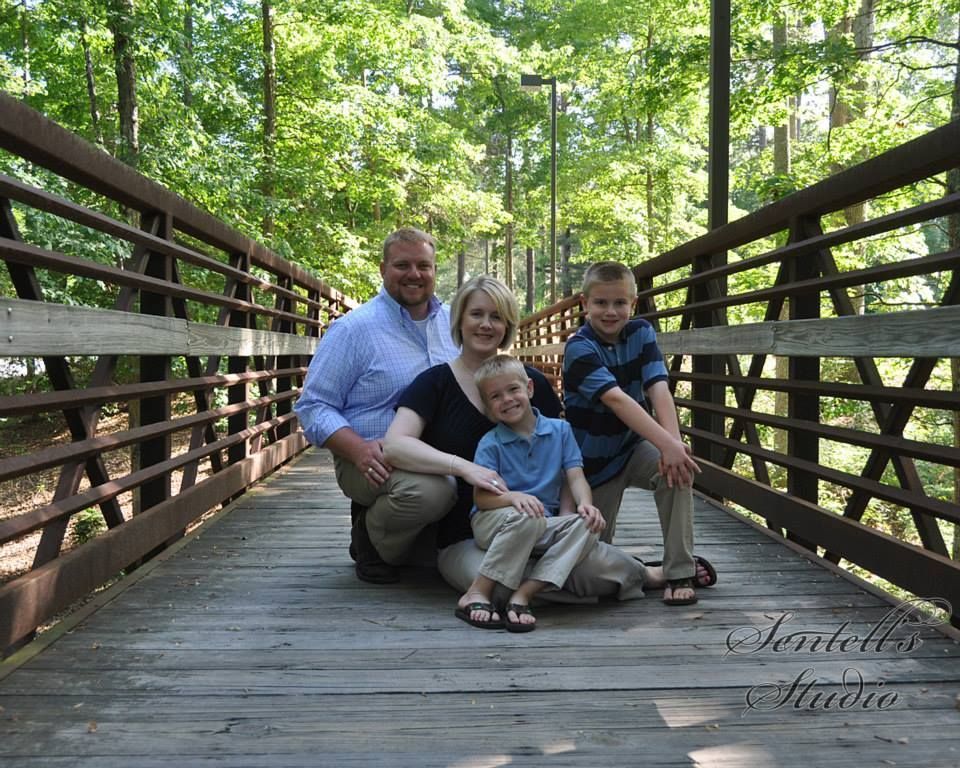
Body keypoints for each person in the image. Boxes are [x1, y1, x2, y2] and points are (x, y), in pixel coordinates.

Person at [384, 275, 664, 620]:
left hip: (546, 529)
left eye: (497, 316)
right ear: (459, 320)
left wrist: (566, 515)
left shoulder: (531, 384)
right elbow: (394, 446)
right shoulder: (434, 382)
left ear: (508, 325)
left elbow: (565, 461)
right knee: (501, 585)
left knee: (591, 559)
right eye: (476, 315)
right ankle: (542, 591)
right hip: (469, 537)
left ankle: (646, 574)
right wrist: (464, 467)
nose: (486, 325)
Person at [294, 227, 460, 583]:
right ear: (383, 269)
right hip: (375, 460)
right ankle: (369, 538)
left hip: (443, 454)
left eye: (423, 265)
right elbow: (313, 406)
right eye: (402, 265)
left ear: (434, 270)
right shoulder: (355, 330)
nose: (414, 274)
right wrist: (357, 450)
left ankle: (418, 542)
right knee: (435, 492)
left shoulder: (455, 324)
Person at [563, 260, 716, 606]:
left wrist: (672, 448)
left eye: (620, 303)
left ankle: (680, 570)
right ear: (584, 305)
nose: (610, 311)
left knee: (677, 474)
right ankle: (646, 572)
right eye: (600, 303)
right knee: (589, 566)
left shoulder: (641, 333)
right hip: (592, 465)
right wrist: (668, 444)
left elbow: (658, 388)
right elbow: (617, 400)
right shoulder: (579, 348)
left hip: (632, 447)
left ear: (633, 304)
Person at [459, 355, 604, 632]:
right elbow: (482, 499)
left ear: (529, 388)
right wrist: (512, 497)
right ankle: (476, 591)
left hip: (541, 522)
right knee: (529, 517)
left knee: (589, 523)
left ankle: (523, 594)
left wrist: (586, 504)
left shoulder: (561, 431)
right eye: (495, 396)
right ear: (487, 406)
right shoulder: (490, 444)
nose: (507, 399)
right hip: (495, 522)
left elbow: (576, 477)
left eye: (513, 389)